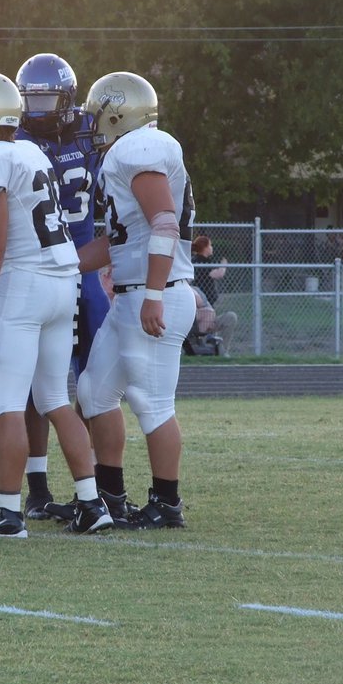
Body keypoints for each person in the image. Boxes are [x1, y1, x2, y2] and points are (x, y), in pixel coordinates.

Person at [0, 70, 112, 538]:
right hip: (63, 279)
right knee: (55, 398)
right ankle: (92, 504)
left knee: (7, 405)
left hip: (25, 282)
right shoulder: (31, 150)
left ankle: (10, 514)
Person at [75, 71, 198, 530]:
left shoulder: (137, 149)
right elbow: (119, 241)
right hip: (135, 296)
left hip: (156, 295)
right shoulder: (128, 156)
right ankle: (110, 496)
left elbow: (164, 225)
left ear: (116, 114)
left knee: (152, 403)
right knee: (94, 392)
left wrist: (151, 296)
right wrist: (61, 264)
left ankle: (167, 503)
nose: (93, 127)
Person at [12, 53, 109, 521]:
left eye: (47, 98)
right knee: (41, 388)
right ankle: (38, 487)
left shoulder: (88, 132)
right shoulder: (20, 137)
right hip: (58, 272)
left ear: (67, 97)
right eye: (31, 99)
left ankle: (95, 483)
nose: (38, 109)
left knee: (94, 384)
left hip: (75, 273)